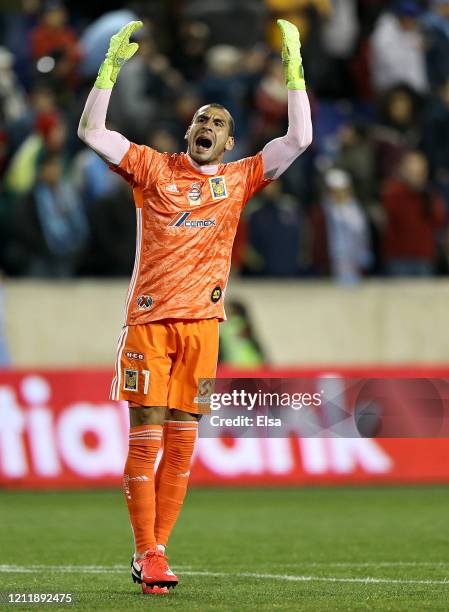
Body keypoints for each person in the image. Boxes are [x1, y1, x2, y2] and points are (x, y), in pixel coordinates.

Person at [78, 19, 312, 595]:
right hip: (149, 325)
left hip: (205, 329)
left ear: (229, 143)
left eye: (219, 123)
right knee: (147, 433)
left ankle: (156, 554)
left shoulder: (238, 180)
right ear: (188, 131)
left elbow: (299, 140)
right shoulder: (153, 169)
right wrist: (107, 71)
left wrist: (294, 71)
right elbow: (92, 131)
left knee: (185, 439)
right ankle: (146, 550)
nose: (207, 126)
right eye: (201, 119)